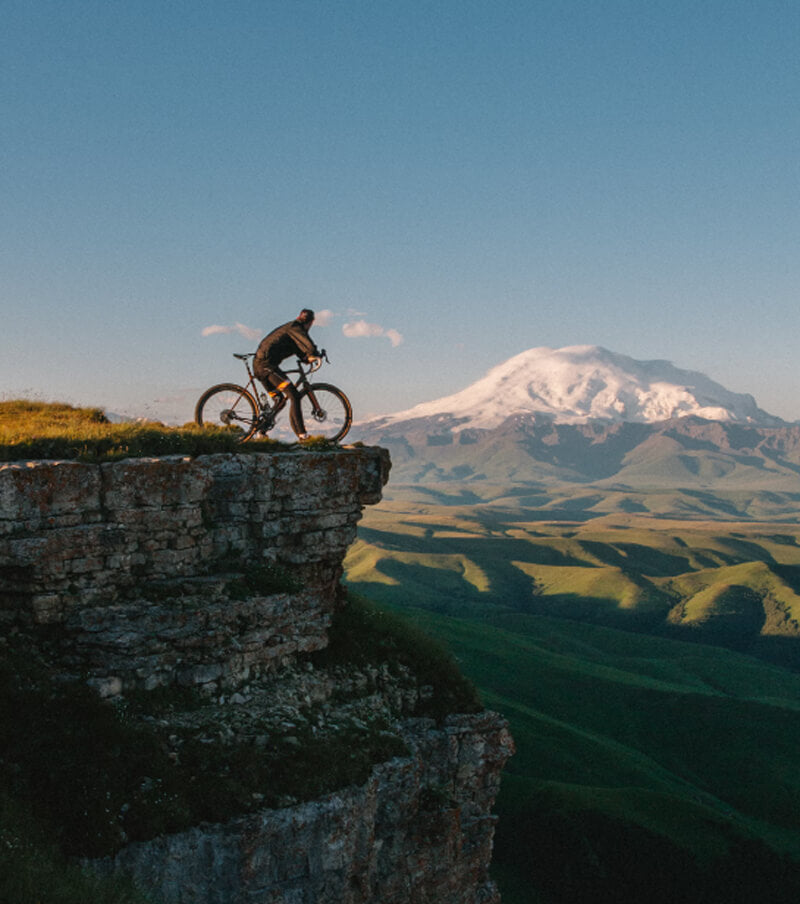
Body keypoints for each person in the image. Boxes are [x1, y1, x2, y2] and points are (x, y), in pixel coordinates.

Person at [253, 309, 321, 440]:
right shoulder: (295, 327)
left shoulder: (291, 331)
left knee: (279, 400)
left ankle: (261, 432)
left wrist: (307, 359)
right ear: (311, 322)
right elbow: (308, 344)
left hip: (261, 365)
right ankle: (302, 435)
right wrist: (315, 353)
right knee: (294, 395)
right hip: (266, 366)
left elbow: (300, 350)